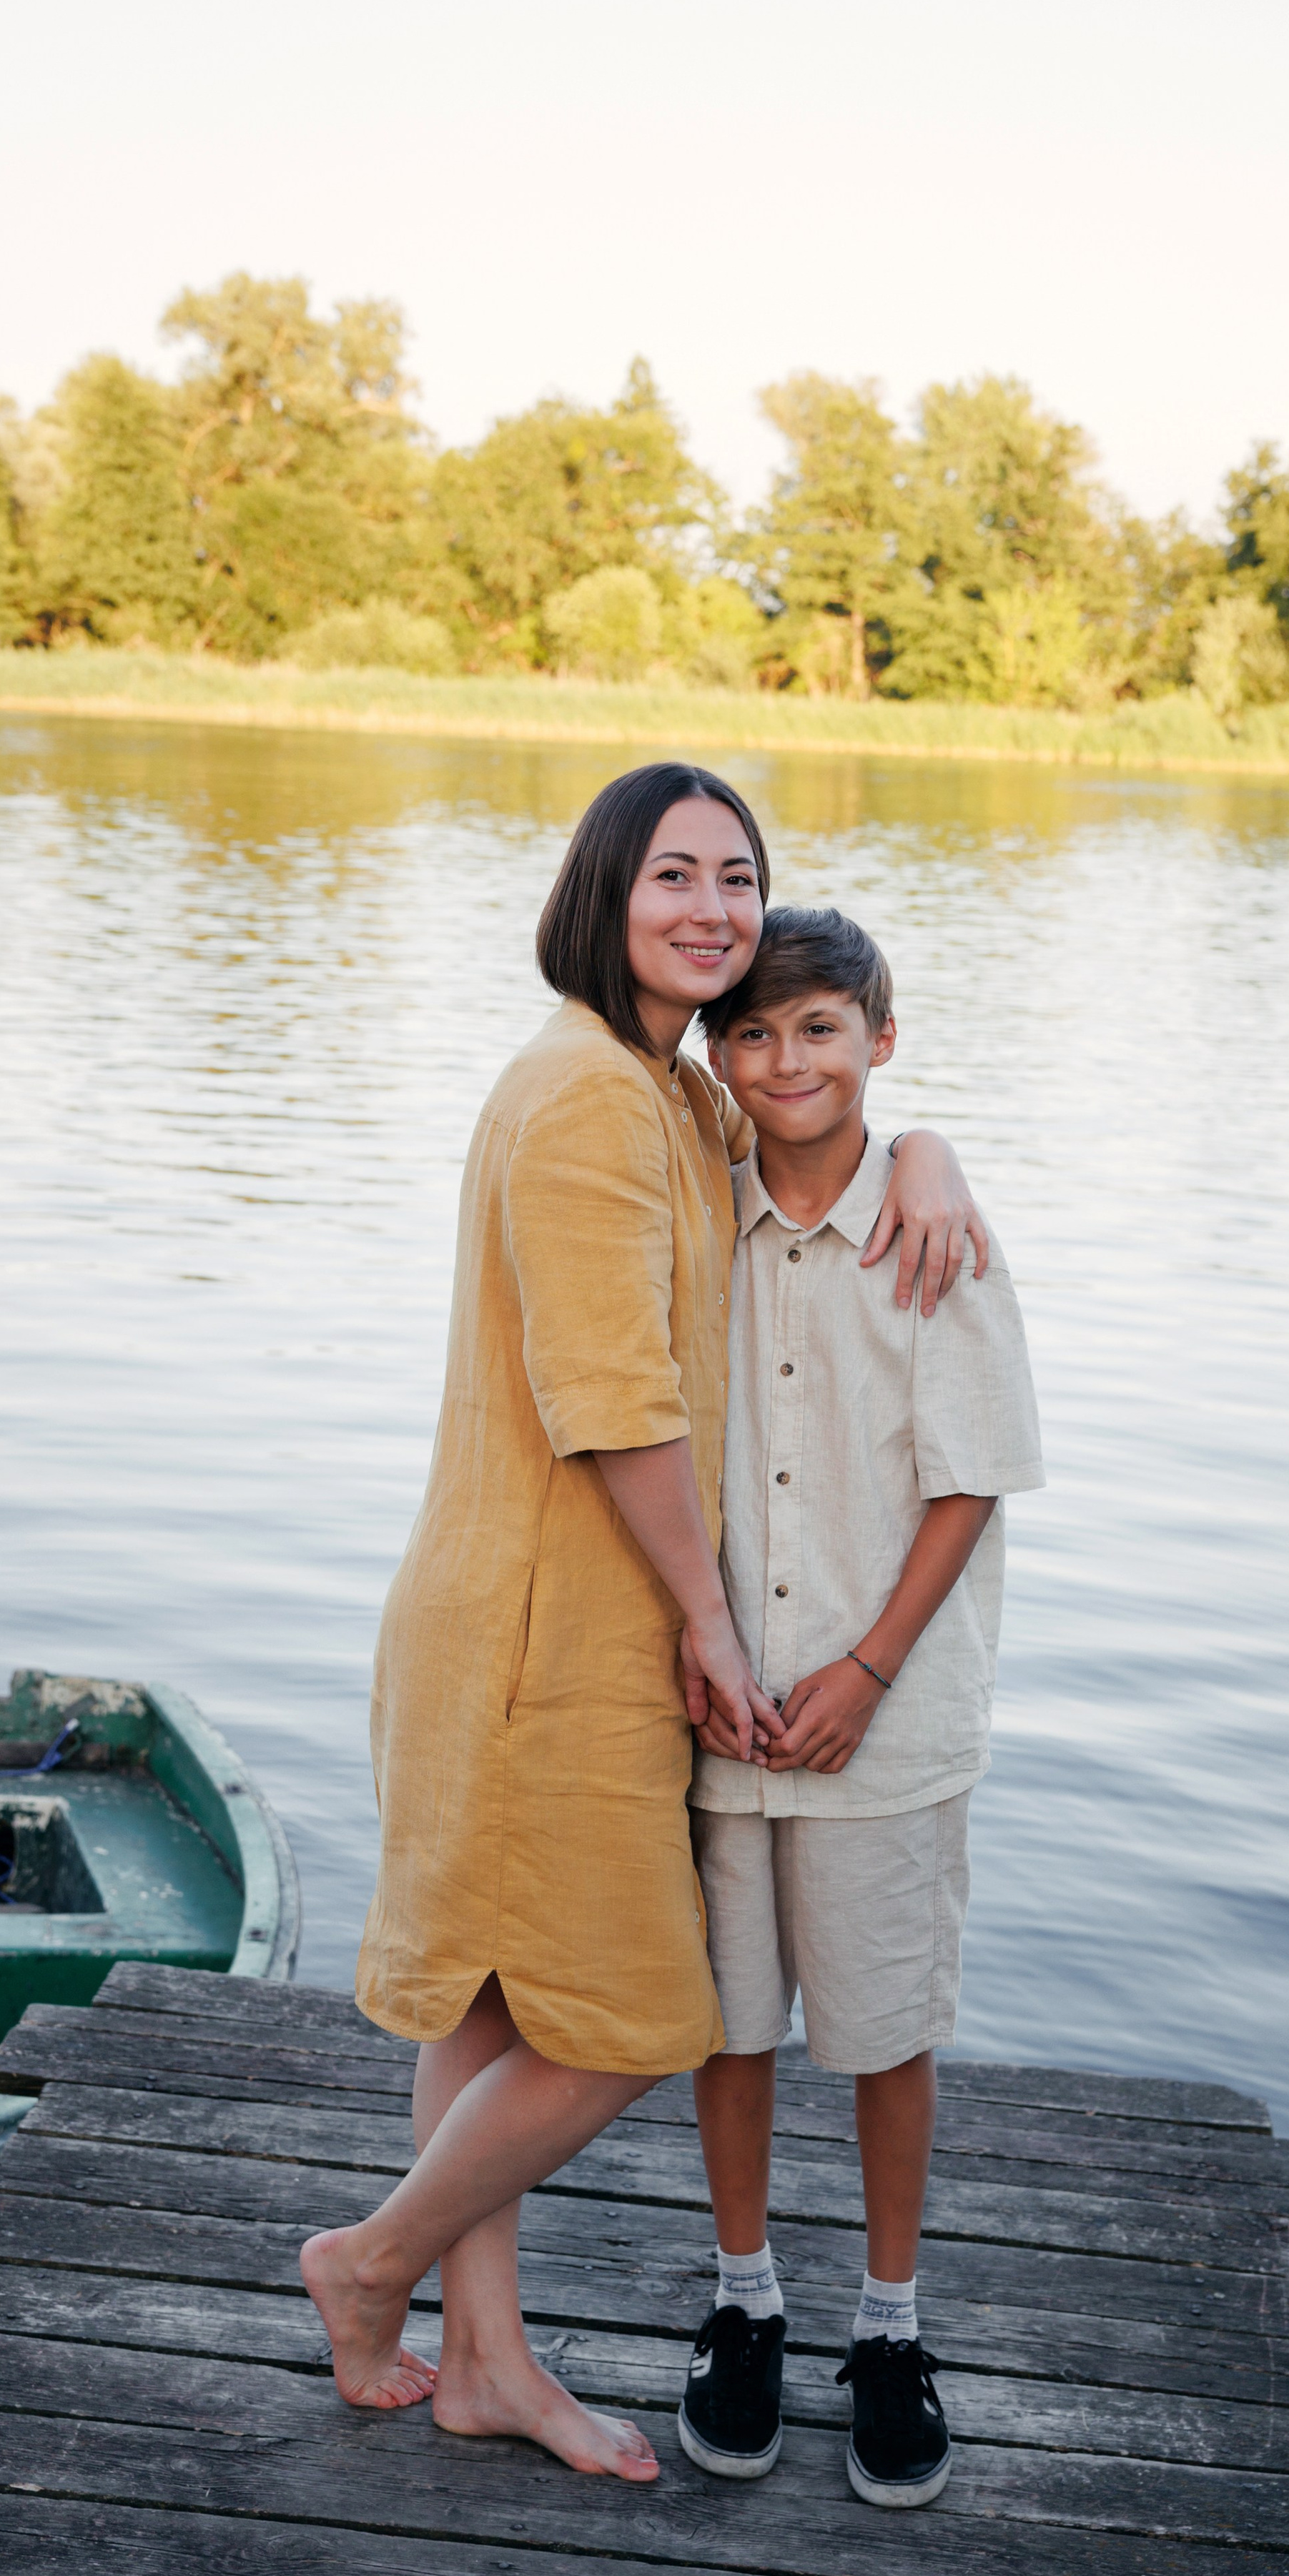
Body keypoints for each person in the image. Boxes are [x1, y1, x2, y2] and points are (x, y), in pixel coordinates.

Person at [300, 766, 987, 2483]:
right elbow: (610, 1401)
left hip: (541, 1617)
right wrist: (710, 1621)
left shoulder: (664, 1087)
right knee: (636, 2020)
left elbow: (810, 1135)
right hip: (543, 1636)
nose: (710, 908)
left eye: (735, 877)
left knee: (488, 2012)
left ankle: (485, 2362)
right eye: (672, 874)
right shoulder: (591, 1102)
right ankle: (372, 2266)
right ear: (603, 891)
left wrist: (925, 1145)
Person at [678, 903, 1042, 2508]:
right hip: (724, 1707)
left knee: (887, 2032)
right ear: (717, 1055)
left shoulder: (932, 1229)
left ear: (879, 1041)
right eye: (753, 1033)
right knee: (730, 2023)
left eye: (820, 1028)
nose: (786, 1061)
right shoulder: (696, 1213)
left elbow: (971, 1480)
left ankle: (889, 2325)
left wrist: (869, 1667)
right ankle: (744, 2299)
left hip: (883, 1708)